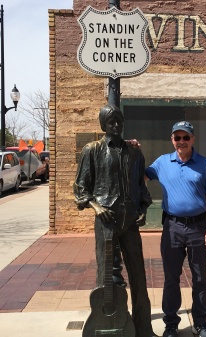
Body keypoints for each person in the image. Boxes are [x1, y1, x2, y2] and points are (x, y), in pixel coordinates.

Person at [73, 104, 157, 337]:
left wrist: (143, 208)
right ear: (103, 125)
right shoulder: (93, 150)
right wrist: (96, 206)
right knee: (106, 277)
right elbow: (81, 187)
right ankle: (107, 325)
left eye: (119, 121)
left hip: (129, 221)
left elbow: (141, 186)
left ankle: (144, 329)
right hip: (106, 221)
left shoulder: (134, 152)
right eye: (111, 121)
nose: (116, 125)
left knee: (139, 275)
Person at [145, 121, 206, 337]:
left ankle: (201, 323)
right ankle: (170, 324)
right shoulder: (162, 162)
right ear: (172, 140)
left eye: (186, 137)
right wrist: (131, 150)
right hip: (172, 228)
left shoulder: (204, 164)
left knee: (199, 277)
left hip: (198, 227)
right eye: (177, 138)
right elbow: (141, 176)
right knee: (170, 278)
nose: (181, 142)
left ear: (193, 139)